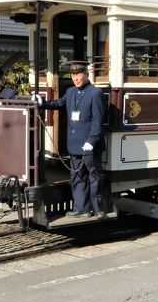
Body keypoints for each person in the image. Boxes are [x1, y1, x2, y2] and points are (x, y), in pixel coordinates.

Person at [38, 60, 107, 219]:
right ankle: (81, 208)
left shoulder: (95, 93)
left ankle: (99, 209)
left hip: (90, 145)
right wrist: (42, 103)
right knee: (77, 177)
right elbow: (58, 104)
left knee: (94, 177)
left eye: (79, 74)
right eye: (73, 75)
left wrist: (92, 140)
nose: (75, 78)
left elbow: (98, 121)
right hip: (75, 144)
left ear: (86, 74)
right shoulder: (70, 92)